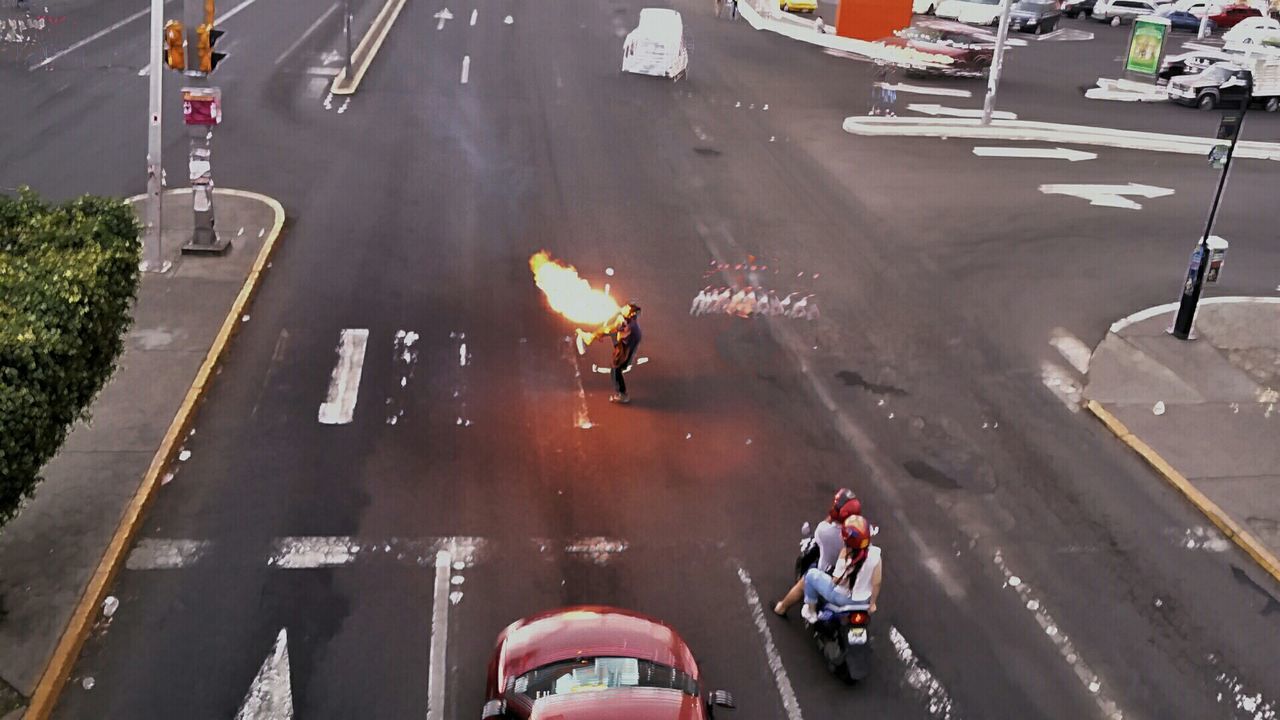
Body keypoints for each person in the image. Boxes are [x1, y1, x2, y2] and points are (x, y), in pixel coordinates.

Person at [773, 489, 861, 617]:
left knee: (806, 580)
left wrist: (833, 514)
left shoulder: (825, 532)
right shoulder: (861, 535)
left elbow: (824, 527)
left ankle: (781, 607)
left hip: (830, 575)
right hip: (853, 583)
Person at [799, 514, 882, 624]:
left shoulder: (845, 554)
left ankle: (811, 612)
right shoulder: (876, 554)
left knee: (810, 575)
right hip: (863, 601)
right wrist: (872, 604)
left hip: (841, 599)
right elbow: (877, 582)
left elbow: (836, 580)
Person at [607, 303, 642, 404]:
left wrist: (615, 328)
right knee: (617, 367)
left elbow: (616, 331)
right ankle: (621, 393)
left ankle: (622, 394)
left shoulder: (630, 327)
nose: (624, 308)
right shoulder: (628, 321)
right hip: (625, 344)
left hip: (625, 347)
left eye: (627, 308)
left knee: (615, 369)